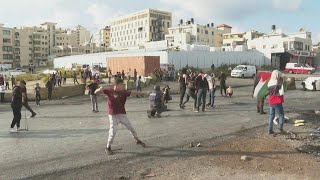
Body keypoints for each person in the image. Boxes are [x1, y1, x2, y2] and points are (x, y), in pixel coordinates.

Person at [95, 79, 146, 155]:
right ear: (117, 85)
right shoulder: (109, 91)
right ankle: (108, 147)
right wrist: (100, 88)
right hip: (113, 115)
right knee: (113, 132)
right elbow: (96, 92)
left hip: (122, 114)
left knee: (131, 128)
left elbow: (134, 92)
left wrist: (145, 92)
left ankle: (137, 140)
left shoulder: (123, 92)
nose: (123, 86)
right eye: (122, 85)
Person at [267, 70, 286, 135]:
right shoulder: (279, 82)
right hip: (278, 101)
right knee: (281, 114)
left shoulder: (269, 82)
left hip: (271, 101)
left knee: (271, 116)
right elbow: (282, 92)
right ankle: (280, 128)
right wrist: (282, 78)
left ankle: (270, 129)